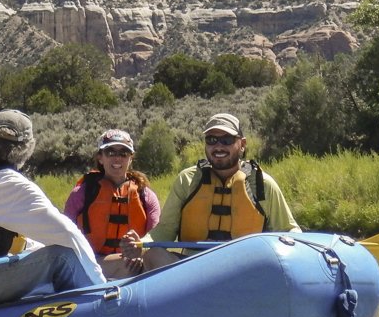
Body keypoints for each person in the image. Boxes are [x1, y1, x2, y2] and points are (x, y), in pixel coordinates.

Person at [0, 109, 105, 311]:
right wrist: (103, 284)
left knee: (39, 249)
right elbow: (68, 234)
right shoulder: (11, 184)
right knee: (62, 257)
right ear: (26, 148)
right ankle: (97, 309)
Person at [125, 112, 301, 270]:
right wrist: (141, 243)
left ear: (242, 144)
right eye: (211, 140)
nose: (218, 147)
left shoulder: (262, 184)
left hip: (244, 268)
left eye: (226, 140)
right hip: (192, 266)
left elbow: (289, 230)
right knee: (154, 256)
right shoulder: (187, 180)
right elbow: (164, 230)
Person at [63, 129, 160, 279]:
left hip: (136, 261)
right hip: (91, 262)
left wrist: (139, 249)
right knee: (129, 265)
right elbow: (65, 234)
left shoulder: (145, 195)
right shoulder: (82, 193)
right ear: (100, 157)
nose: (117, 158)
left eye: (123, 153)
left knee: (156, 258)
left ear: (130, 158)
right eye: (110, 152)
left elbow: (156, 237)